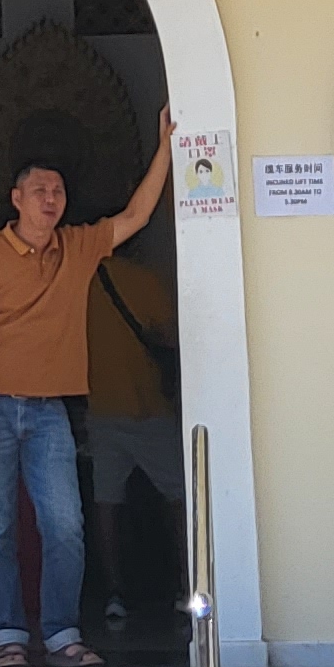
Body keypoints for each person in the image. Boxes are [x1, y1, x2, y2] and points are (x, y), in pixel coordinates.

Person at [0, 112, 173, 667]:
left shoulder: (77, 247)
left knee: (66, 525)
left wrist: (166, 145)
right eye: (40, 191)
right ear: (16, 199)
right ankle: (7, 638)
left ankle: (61, 635)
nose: (51, 200)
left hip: (50, 412)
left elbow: (137, 215)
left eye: (58, 192)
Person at [81, 223, 183, 629]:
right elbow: (170, 337)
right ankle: (188, 585)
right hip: (149, 407)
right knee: (178, 498)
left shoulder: (80, 284)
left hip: (101, 406)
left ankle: (114, 592)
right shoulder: (146, 281)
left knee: (106, 502)